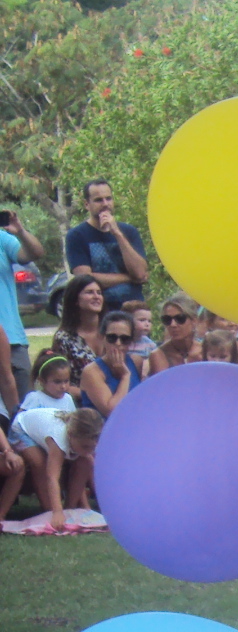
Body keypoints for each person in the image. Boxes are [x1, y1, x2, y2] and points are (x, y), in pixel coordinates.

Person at [8, 400, 103, 527]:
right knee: (39, 462)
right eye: (85, 447)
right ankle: (49, 511)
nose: (89, 451)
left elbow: (92, 467)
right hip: (21, 429)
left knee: (85, 462)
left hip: (45, 429)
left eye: (92, 447)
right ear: (70, 435)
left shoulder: (89, 440)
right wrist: (57, 511)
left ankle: (70, 508)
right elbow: (52, 477)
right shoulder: (58, 440)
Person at [64, 179, 147, 308]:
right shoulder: (76, 236)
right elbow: (85, 279)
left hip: (133, 308)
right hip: (100, 310)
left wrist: (117, 234)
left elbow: (140, 273)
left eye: (108, 199)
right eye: (98, 200)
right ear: (87, 204)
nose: (105, 204)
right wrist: (129, 278)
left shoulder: (129, 231)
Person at [1, 208, 46, 415]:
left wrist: (19, 231)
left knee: (24, 411)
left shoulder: (2, 239)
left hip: (12, 339)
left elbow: (35, 253)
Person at [79, 312, 143, 416]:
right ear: (102, 338)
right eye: (112, 338)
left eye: (124, 339)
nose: (118, 343)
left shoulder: (136, 361)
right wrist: (125, 376)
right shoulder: (92, 371)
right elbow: (112, 412)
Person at [51, 276, 105, 373]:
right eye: (89, 292)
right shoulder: (64, 339)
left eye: (99, 293)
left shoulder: (111, 332)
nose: (96, 296)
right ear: (75, 299)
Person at [144, 292, 203, 375]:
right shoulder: (158, 355)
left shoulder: (205, 351)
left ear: (194, 320)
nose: (173, 324)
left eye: (180, 318)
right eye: (167, 319)